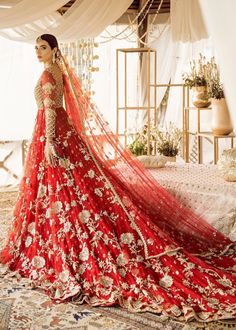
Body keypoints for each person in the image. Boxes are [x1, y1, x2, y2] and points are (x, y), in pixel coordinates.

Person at [0, 34, 235, 322]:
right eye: (36, 48)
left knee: (65, 188)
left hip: (53, 135)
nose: (38, 52)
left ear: (54, 50)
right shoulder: (55, 70)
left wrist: (49, 140)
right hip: (61, 132)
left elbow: (50, 109)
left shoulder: (50, 73)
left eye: (43, 48)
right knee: (71, 189)